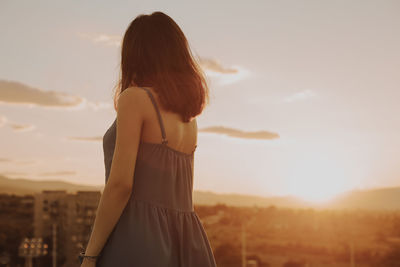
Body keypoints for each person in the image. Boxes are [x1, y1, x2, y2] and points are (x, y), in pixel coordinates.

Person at [80, 11, 217, 267]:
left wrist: (89, 256)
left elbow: (120, 185)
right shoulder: (189, 118)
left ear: (135, 54)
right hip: (187, 242)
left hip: (138, 239)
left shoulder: (135, 99)